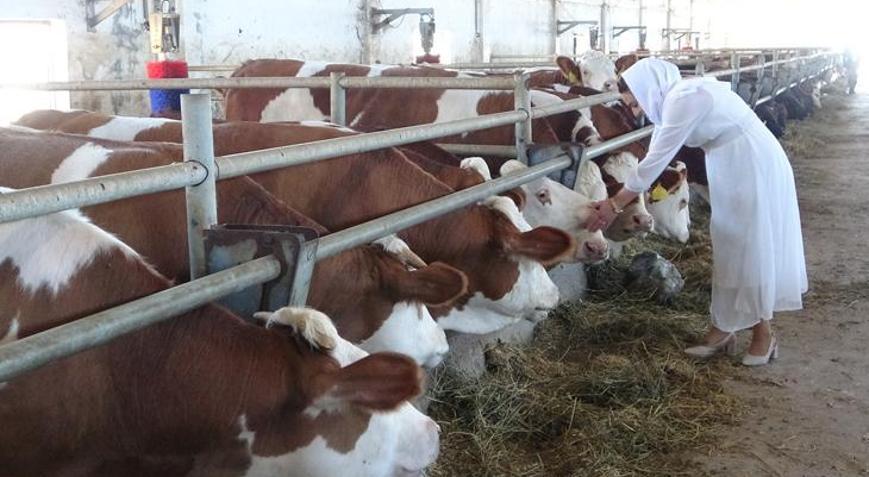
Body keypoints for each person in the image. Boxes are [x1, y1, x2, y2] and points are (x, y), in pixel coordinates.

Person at [586, 58, 808, 366]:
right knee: (731, 242)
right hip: (731, 162)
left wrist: (614, 203)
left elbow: (655, 161)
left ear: (650, 88)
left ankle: (763, 334)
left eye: (636, 103)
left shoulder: (684, 100)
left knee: (750, 244)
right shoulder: (681, 96)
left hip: (751, 163)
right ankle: (723, 328)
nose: (637, 112)